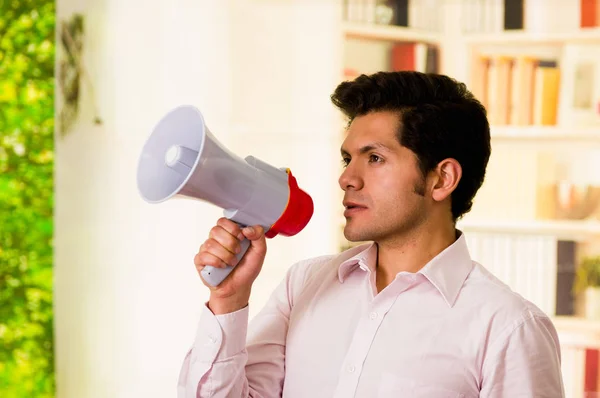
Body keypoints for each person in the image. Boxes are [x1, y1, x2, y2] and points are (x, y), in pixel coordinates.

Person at [177, 71, 565, 397]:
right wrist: (227, 299)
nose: (347, 177)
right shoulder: (304, 285)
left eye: (375, 158)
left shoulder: (509, 327)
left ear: (442, 178)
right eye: (348, 158)